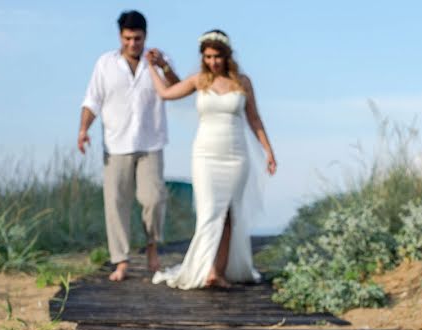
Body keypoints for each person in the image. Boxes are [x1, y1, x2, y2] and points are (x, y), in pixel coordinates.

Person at [147, 29, 276, 289]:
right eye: (207, 57)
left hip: (236, 154)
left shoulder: (243, 82)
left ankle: (217, 272)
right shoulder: (198, 81)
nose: (213, 62)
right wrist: (154, 67)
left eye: (217, 56)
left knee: (230, 213)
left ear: (227, 56)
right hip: (206, 154)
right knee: (208, 212)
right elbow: (166, 93)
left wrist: (268, 151)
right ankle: (201, 268)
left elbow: (254, 118)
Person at [78, 10, 180, 281]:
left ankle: (152, 248)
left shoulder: (159, 60)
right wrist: (83, 129)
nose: (132, 44)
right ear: (120, 37)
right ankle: (121, 260)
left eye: (137, 38)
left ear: (145, 36)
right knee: (116, 202)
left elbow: (177, 89)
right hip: (116, 143)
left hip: (151, 142)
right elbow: (92, 101)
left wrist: (163, 67)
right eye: (127, 38)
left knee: (154, 198)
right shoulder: (105, 63)